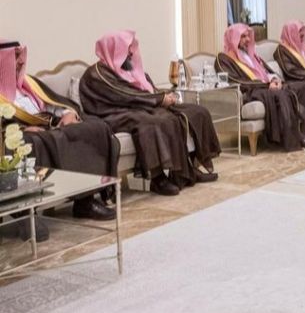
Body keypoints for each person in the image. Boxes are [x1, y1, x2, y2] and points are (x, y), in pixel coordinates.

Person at [0, 42, 119, 242]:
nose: (21, 62)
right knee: (29, 142)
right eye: (15, 58)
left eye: (21, 57)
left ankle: (85, 200)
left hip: (50, 126)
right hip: (22, 134)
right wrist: (20, 129)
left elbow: (52, 103)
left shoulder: (29, 83)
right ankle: (25, 213)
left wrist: (68, 113)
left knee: (95, 128)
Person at [79, 31, 220, 196]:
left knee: (197, 112)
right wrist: (159, 99)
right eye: (127, 49)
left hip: (139, 106)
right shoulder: (97, 73)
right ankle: (157, 178)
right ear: (114, 50)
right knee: (155, 122)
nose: (131, 53)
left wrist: (165, 96)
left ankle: (187, 170)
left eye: (131, 48)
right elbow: (124, 95)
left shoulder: (128, 69)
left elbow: (147, 88)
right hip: (113, 113)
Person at [217, 24, 305, 151]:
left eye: (248, 36)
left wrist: (274, 80)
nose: (248, 39)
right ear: (233, 38)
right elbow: (235, 80)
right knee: (282, 95)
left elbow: (266, 71)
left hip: (266, 86)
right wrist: (267, 85)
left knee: (302, 87)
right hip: (252, 91)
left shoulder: (250, 54)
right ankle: (294, 138)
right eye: (243, 37)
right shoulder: (224, 59)